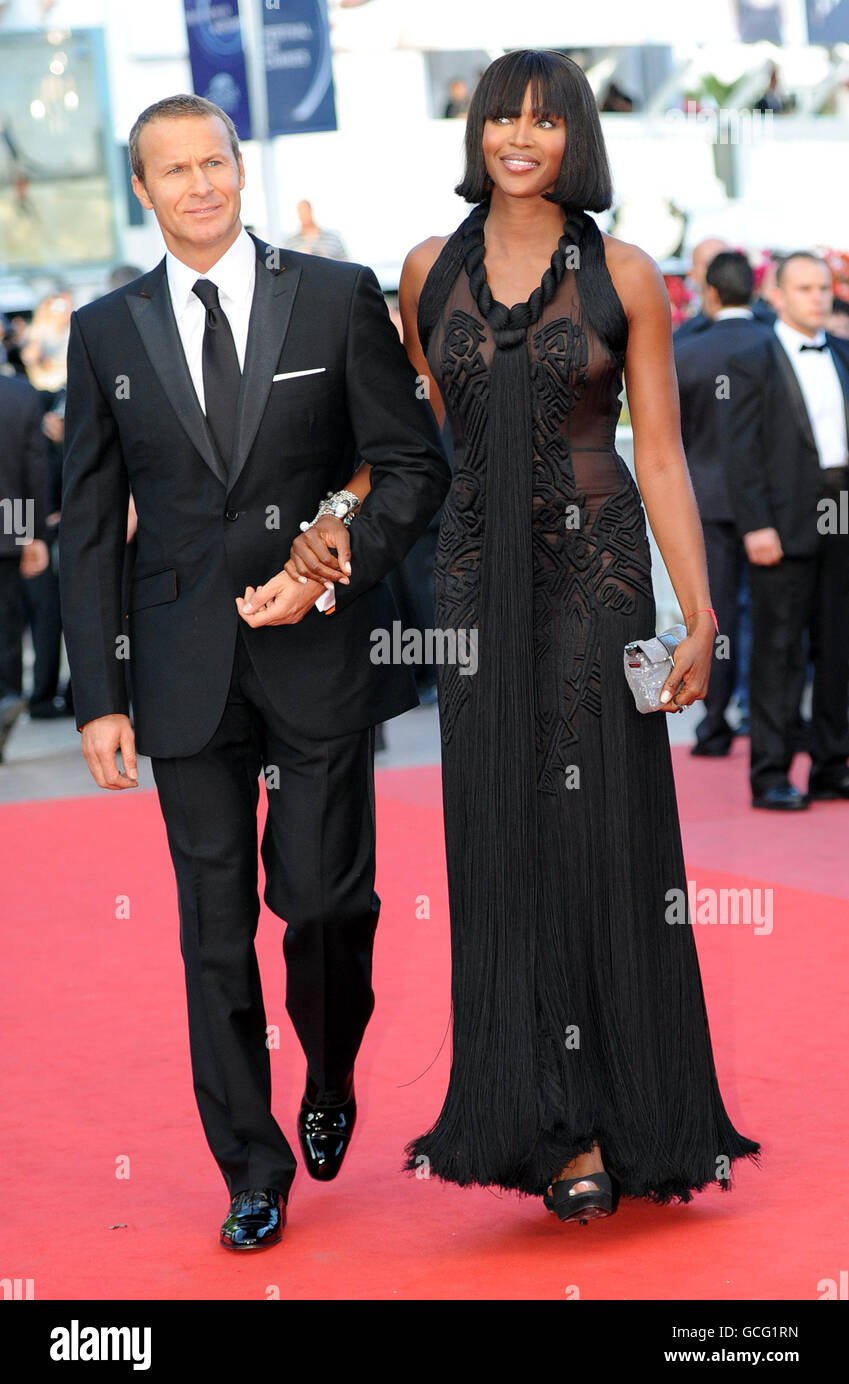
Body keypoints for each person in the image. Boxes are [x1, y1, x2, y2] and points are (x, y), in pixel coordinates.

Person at [297, 49, 761, 1221]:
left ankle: (641, 1112)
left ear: (575, 139)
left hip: (598, 580)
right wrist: (335, 521)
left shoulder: (624, 273)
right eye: (500, 115)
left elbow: (658, 453)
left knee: (606, 837)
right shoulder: (423, 273)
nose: (518, 135)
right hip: (473, 590)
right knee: (502, 841)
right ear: (474, 132)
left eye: (544, 121)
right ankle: (548, 1128)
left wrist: (693, 612)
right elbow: (408, 447)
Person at [59, 93, 450, 1251]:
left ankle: (329, 1071)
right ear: (142, 189)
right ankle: (251, 1162)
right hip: (180, 668)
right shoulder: (105, 329)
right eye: (170, 170)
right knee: (212, 930)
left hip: (321, 646)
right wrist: (98, 696)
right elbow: (88, 525)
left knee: (327, 904)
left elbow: (406, 464)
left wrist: (328, 559)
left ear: (242, 167)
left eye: (213, 163)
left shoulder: (332, 295)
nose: (197, 185)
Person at [725, 252, 849, 809]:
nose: (818, 297)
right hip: (782, 522)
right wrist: (755, 525)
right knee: (777, 653)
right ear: (777, 295)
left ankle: (831, 766)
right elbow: (740, 453)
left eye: (823, 287)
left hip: (841, 517)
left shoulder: (844, 352)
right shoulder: (750, 359)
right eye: (804, 288)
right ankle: (771, 773)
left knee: (838, 651)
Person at [674, 251, 773, 756]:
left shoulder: (684, 351)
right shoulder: (772, 344)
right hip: (769, 504)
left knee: (714, 614)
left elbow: (671, 438)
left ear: (709, 293)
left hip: (704, 499)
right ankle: (764, 718)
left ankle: (713, 726)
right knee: (769, 612)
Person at [0, 369, 51, 758]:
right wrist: (31, 535)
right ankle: (7, 693)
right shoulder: (19, 395)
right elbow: (33, 470)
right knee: (7, 620)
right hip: (8, 521)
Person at [282, 200, 348, 260]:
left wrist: (328, 262)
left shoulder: (333, 238)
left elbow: (347, 264)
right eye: (301, 211)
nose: (304, 215)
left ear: (311, 211)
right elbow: (286, 268)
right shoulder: (290, 242)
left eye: (306, 211)